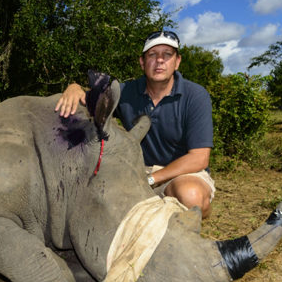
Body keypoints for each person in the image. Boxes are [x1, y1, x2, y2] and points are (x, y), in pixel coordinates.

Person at [55, 31, 215, 218]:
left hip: (182, 173)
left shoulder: (195, 95)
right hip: (136, 169)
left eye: (167, 54)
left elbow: (199, 159)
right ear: (142, 62)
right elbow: (89, 100)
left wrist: (149, 179)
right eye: (152, 54)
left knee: (191, 196)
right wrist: (75, 88)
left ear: (177, 62)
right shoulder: (125, 92)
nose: (160, 60)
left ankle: (189, 214)